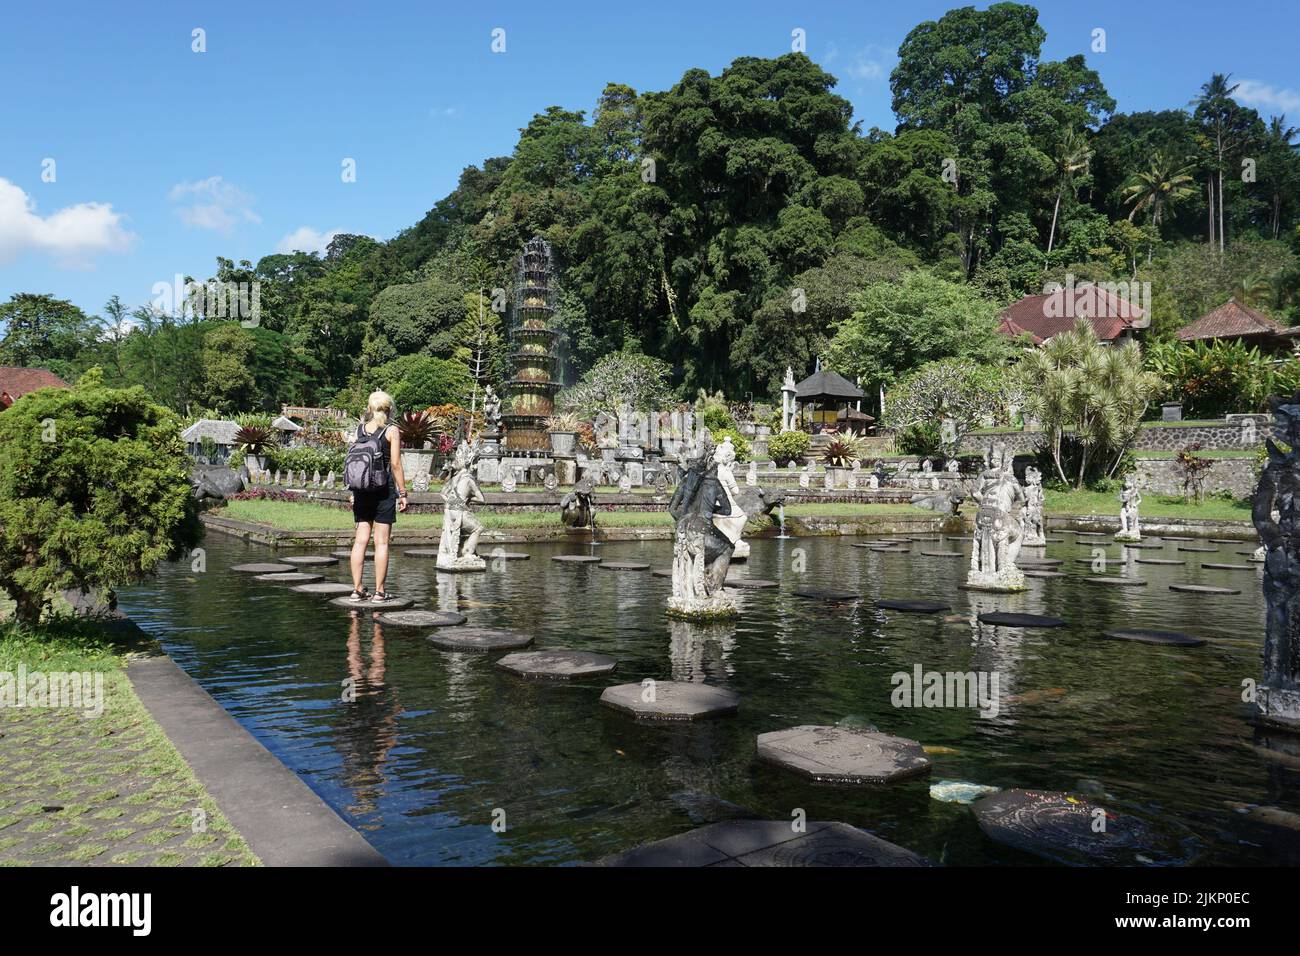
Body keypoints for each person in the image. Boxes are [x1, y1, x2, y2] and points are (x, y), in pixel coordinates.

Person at [347, 391, 408, 604]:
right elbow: (395, 464)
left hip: (361, 490)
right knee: (381, 543)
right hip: (384, 491)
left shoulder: (359, 430)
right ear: (389, 409)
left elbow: (354, 464)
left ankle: (356, 590)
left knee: (360, 541)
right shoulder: (391, 430)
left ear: (370, 409)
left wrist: (352, 492)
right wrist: (403, 493)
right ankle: (379, 592)